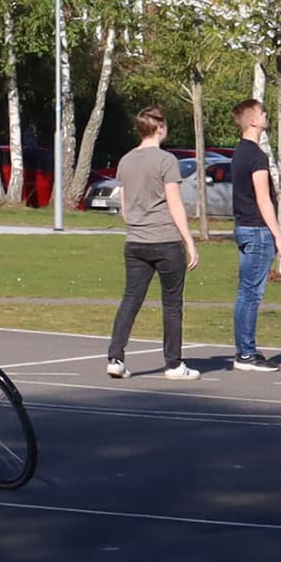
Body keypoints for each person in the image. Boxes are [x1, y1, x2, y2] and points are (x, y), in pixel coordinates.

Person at [107, 104, 203, 381]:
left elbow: (125, 208)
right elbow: (175, 204)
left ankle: (115, 356)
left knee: (130, 299)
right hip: (165, 240)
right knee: (172, 304)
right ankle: (173, 364)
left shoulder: (125, 160)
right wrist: (189, 242)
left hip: (135, 241)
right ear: (160, 127)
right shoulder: (166, 160)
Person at [228, 96, 281, 369]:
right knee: (251, 294)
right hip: (257, 230)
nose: (266, 116)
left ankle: (245, 349)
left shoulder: (239, 152)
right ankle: (246, 354)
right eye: (263, 113)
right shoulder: (256, 156)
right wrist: (278, 236)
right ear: (252, 120)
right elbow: (263, 199)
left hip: (243, 227)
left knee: (245, 292)